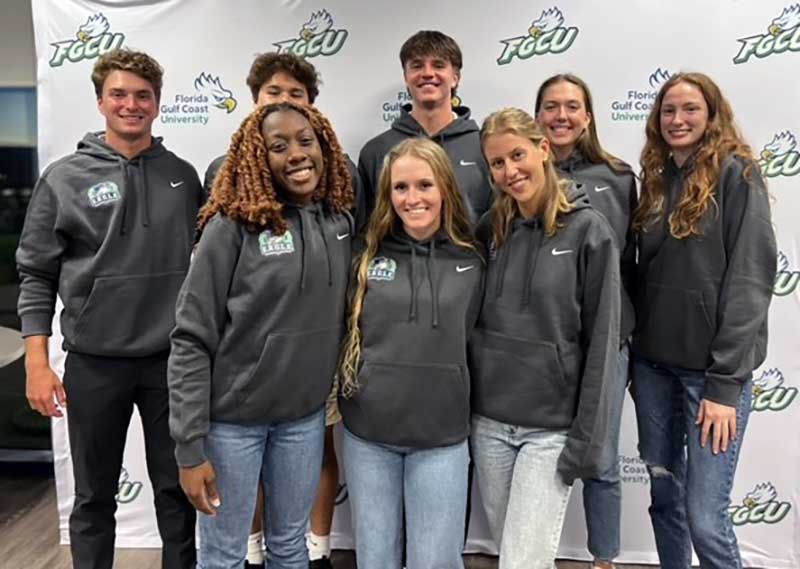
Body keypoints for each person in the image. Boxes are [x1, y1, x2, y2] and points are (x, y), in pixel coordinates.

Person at [16, 49, 200, 569]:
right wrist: (37, 361)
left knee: (176, 494)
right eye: (119, 94)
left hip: (171, 363)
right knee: (94, 498)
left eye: (143, 95)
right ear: (101, 101)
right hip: (94, 363)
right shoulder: (64, 178)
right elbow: (36, 273)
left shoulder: (183, 178)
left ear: (158, 104)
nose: (131, 104)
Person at [168, 101, 353, 569]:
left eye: (305, 141)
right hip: (232, 424)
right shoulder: (229, 228)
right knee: (225, 554)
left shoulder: (339, 223)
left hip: (302, 421)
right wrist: (190, 449)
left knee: (291, 545)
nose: (296, 154)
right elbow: (190, 338)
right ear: (257, 157)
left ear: (325, 147)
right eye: (279, 145)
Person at [631, 72, 776, 569]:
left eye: (690, 109)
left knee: (706, 519)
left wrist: (723, 384)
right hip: (652, 369)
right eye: (668, 110)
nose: (678, 120)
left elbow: (751, 280)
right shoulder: (652, 179)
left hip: (710, 380)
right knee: (665, 500)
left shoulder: (739, 174)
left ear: (712, 115)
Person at [470, 108, 620, 569]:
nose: (510, 171)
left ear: (543, 149)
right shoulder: (489, 230)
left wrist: (585, 440)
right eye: (497, 163)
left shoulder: (589, 230)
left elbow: (603, 343)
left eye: (517, 155)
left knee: (521, 562)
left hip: (550, 431)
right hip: (488, 425)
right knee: (518, 555)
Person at [338, 137, 483, 569]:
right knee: (376, 560)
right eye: (400, 188)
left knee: (434, 562)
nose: (412, 198)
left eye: (424, 185)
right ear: (387, 194)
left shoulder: (474, 256)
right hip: (369, 435)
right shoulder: (364, 256)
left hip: (441, 438)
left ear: (445, 189)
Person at [534, 73, 638, 569]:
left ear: (588, 116)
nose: (561, 116)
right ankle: (531, 552)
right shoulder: (521, 175)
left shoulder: (618, 178)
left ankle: (604, 559)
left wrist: (626, 334)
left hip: (607, 337)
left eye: (572, 106)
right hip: (540, 340)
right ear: (538, 116)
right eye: (551, 106)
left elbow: (635, 263)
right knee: (535, 453)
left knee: (601, 454)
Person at [358, 30, 492, 222]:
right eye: (417, 66)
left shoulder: (484, 147)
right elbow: (368, 231)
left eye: (438, 65)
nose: (428, 73)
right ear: (406, 77)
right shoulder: (375, 152)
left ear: (455, 77)